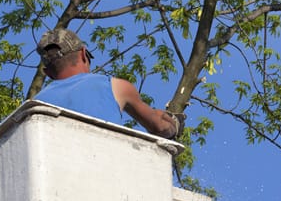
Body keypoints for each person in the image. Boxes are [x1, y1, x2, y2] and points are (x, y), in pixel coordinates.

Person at [34, 28, 184, 139]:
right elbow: (159, 126)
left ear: (48, 73)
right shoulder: (115, 87)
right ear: (83, 54)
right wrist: (173, 124)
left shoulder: (34, 105)